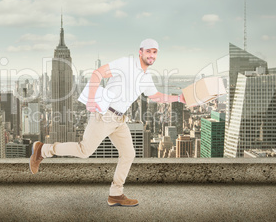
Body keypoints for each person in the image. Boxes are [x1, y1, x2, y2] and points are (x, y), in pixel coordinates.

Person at [29, 39, 185, 207]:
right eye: (148, 51)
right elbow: (98, 73)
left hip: (119, 120)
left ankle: (116, 194)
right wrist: (90, 99)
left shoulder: (146, 78)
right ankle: (43, 150)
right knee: (84, 151)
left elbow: (155, 96)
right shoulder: (126, 63)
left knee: (128, 153)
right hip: (105, 115)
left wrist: (178, 98)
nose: (151, 55)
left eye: (155, 52)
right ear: (140, 52)